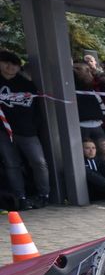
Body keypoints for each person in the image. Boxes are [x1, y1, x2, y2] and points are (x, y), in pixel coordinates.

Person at [0, 49, 51, 209]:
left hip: (28, 131)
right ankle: (20, 197)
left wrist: (35, 125)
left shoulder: (27, 84)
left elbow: (37, 108)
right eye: (6, 63)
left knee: (39, 162)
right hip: (3, 132)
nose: (10, 67)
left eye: (14, 64)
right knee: (11, 164)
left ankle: (44, 195)